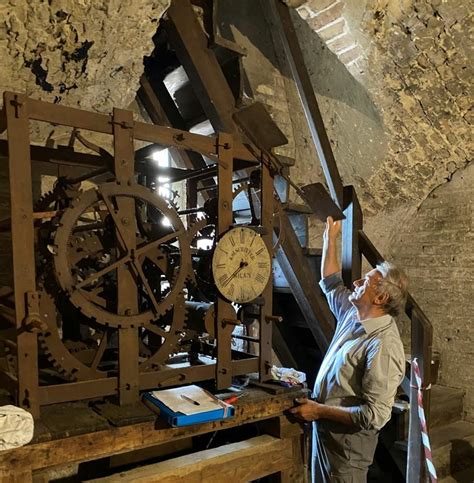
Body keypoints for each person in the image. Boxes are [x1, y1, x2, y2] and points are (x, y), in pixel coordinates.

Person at [290, 216, 407, 482]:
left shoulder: (384, 345)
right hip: (325, 437)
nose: (355, 283)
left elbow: (374, 415)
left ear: (380, 298)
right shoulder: (353, 315)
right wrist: (329, 239)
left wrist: (319, 410)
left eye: (364, 282)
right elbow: (331, 282)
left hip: (347, 454)